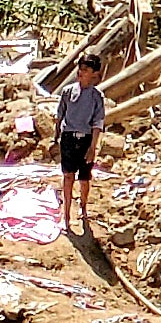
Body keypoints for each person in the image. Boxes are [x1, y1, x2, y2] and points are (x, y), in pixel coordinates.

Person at [56, 57, 108, 235]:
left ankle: (83, 207)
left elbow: (97, 123)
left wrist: (92, 148)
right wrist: (56, 138)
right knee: (68, 176)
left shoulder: (96, 97)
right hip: (68, 138)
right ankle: (66, 217)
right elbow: (60, 115)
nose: (81, 72)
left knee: (84, 179)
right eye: (80, 69)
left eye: (86, 70)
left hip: (85, 139)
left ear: (94, 74)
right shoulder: (68, 91)